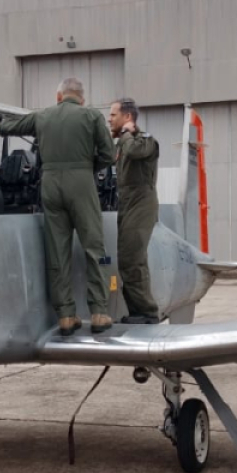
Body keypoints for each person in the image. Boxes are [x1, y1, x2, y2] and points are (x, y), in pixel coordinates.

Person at [0, 78, 115, 335]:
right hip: (82, 184)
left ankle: (65, 315)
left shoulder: (42, 116)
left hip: (50, 185)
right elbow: (109, 155)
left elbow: (13, 126)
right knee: (94, 247)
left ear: (59, 96)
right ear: (81, 98)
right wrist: (87, 168)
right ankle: (98, 312)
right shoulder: (91, 116)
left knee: (57, 251)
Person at [108, 98, 160, 324]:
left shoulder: (145, 141)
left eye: (113, 115)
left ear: (127, 117)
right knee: (127, 258)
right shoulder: (123, 143)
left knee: (133, 258)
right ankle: (137, 311)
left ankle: (147, 312)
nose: (109, 119)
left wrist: (127, 134)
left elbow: (135, 151)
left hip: (141, 203)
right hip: (127, 203)